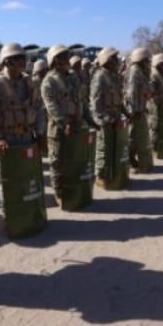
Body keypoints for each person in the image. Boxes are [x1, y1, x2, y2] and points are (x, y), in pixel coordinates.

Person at [0, 43, 47, 237]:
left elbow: (40, 110)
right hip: (8, 140)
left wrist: (40, 133)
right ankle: (10, 218)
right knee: (9, 182)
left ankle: (33, 215)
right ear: (6, 62)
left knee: (31, 178)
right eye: (17, 59)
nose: (22, 62)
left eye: (22, 58)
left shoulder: (31, 83)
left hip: (28, 138)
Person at [41, 45, 91, 210]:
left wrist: (86, 119)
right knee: (57, 162)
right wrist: (64, 123)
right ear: (56, 60)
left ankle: (74, 192)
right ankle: (59, 193)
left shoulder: (72, 77)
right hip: (58, 129)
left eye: (67, 55)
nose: (67, 59)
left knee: (74, 160)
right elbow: (52, 107)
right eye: (63, 56)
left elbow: (80, 100)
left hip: (75, 126)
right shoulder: (48, 81)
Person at [90, 47, 130, 189]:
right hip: (104, 120)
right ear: (106, 60)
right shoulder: (100, 76)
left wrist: (126, 113)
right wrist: (109, 120)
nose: (117, 61)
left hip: (116, 118)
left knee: (115, 148)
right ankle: (101, 177)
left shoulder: (115, 76)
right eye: (114, 58)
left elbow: (119, 100)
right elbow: (95, 105)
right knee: (103, 150)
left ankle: (113, 175)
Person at [125, 47, 155, 173]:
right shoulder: (134, 71)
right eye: (146, 59)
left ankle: (135, 160)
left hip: (140, 108)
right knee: (132, 137)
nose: (148, 61)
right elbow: (132, 93)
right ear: (141, 59)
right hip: (134, 109)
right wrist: (135, 111)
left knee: (138, 136)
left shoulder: (141, 70)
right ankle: (130, 162)